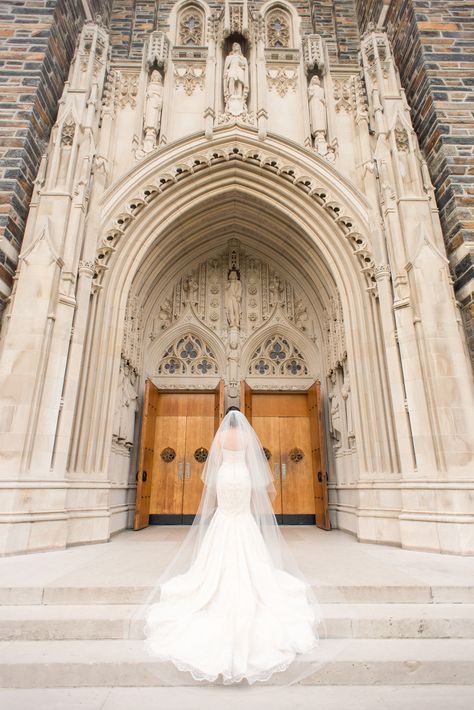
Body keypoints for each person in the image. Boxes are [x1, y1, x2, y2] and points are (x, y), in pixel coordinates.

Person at [142, 407, 321, 684]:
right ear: (243, 420)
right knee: (243, 517)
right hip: (242, 477)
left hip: (226, 476)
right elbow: (253, 464)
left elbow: (212, 466)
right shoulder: (248, 438)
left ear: (226, 418)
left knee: (225, 516)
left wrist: (212, 499)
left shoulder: (221, 435)